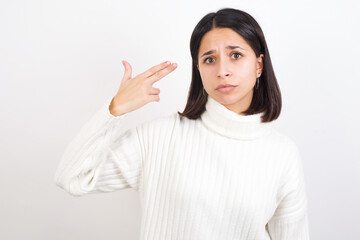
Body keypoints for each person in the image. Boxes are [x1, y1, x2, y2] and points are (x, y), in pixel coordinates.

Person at [54, 7, 310, 240]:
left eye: (235, 55)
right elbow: (73, 178)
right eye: (210, 59)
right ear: (198, 69)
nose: (223, 70)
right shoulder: (159, 137)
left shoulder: (282, 154)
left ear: (259, 65)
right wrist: (115, 109)